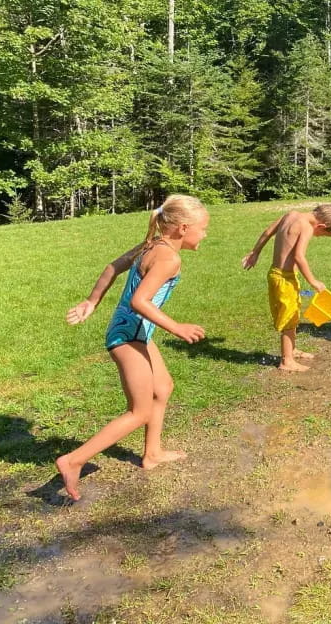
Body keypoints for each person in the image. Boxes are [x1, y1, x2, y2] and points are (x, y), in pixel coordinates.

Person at [57, 195, 209, 501]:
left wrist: (92, 300)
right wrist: (177, 327)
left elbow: (113, 267)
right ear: (183, 228)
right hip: (128, 336)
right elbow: (141, 301)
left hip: (137, 333)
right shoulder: (169, 258)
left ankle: (152, 454)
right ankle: (73, 460)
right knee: (139, 411)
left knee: (163, 387)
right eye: (203, 229)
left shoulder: (151, 244)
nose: (204, 235)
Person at [242, 204, 331, 372]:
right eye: (322, 235)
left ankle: (292, 350)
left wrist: (255, 252)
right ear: (321, 226)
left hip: (276, 274)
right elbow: (299, 256)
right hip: (284, 279)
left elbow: (267, 232)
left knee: (293, 312)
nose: (317, 236)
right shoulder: (307, 227)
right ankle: (286, 361)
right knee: (289, 319)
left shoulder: (290, 215)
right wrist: (313, 281)